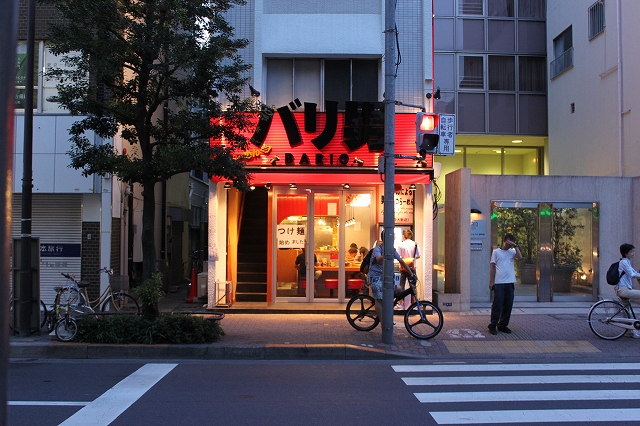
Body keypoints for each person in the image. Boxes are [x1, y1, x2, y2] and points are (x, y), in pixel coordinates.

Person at [368, 231, 414, 325]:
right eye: (392, 238)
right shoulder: (378, 248)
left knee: (399, 290)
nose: (393, 240)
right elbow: (377, 258)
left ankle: (387, 315)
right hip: (376, 277)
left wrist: (411, 273)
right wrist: (387, 255)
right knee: (379, 299)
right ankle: (384, 324)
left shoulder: (392, 249)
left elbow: (401, 261)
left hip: (386, 277)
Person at [488, 233, 522, 335]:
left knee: (508, 305)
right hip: (499, 283)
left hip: (510, 282)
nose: (508, 245)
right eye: (507, 242)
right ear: (504, 241)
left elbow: (520, 257)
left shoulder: (512, 252)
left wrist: (515, 246)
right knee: (497, 305)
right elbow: (492, 268)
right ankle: (493, 324)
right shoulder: (496, 252)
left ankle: (502, 325)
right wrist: (491, 282)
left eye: (510, 243)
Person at [615, 243, 640, 338]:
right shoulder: (624, 262)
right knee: (626, 310)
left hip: (623, 289)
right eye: (631, 252)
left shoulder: (626, 262)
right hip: (623, 289)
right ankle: (631, 330)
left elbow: (634, 272)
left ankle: (629, 331)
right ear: (626, 253)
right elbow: (632, 274)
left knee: (626, 310)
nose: (633, 253)